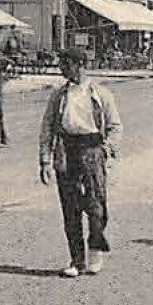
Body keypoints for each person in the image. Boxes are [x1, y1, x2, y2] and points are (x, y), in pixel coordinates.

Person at [38, 46, 123, 277]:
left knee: (96, 206)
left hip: (92, 149)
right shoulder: (59, 95)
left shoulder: (100, 94)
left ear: (81, 65)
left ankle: (95, 252)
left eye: (66, 64)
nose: (62, 69)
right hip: (66, 150)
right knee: (70, 207)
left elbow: (115, 127)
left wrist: (105, 149)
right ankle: (77, 261)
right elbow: (47, 129)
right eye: (61, 64)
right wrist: (45, 161)